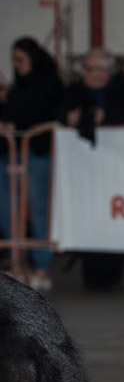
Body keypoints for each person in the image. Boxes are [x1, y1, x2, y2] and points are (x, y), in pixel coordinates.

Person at [63, 48, 124, 290]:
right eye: (85, 68)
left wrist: (104, 115)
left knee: (115, 214)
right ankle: (92, 273)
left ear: (106, 71)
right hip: (83, 168)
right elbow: (57, 110)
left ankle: (113, 271)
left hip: (117, 166)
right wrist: (69, 116)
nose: (86, 73)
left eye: (92, 68)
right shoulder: (74, 91)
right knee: (90, 214)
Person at [0, 37, 65, 290]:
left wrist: (15, 124)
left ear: (34, 59)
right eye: (14, 60)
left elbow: (45, 113)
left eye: (22, 60)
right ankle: (18, 263)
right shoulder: (17, 87)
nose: (17, 65)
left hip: (36, 155)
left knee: (38, 209)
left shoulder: (49, 84)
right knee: (7, 209)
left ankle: (41, 267)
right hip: (9, 153)